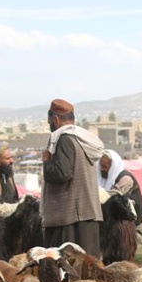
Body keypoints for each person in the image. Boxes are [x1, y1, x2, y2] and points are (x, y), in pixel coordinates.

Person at [42, 98, 105, 257]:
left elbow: (62, 173)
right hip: (86, 214)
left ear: (55, 120)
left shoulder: (64, 139)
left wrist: (46, 161)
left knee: (68, 266)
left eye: (50, 122)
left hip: (70, 218)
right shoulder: (81, 138)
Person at [96, 149, 142, 226]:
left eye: (105, 167)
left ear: (113, 167)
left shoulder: (125, 179)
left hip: (136, 225)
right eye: (101, 166)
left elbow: (109, 196)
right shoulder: (104, 178)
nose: (102, 169)